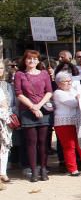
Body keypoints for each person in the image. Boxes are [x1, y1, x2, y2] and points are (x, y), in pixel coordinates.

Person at [13, 50, 53, 183]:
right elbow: (19, 93)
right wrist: (33, 107)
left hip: (43, 110)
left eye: (35, 59)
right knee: (31, 142)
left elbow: (49, 92)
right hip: (27, 111)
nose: (32, 61)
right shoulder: (19, 74)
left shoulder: (44, 74)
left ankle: (43, 168)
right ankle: (34, 170)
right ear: (25, 60)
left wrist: (39, 106)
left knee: (43, 142)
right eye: (29, 59)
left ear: (38, 61)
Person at [52, 71, 81, 177]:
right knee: (69, 146)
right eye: (65, 81)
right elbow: (74, 103)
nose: (69, 83)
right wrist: (79, 98)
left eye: (69, 80)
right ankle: (73, 168)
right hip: (63, 122)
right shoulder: (58, 93)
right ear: (59, 83)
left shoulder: (73, 90)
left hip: (76, 121)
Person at [0, 62, 13, 183]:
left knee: (4, 146)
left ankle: (2, 172)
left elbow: (6, 104)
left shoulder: (6, 85)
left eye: (1, 68)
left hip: (3, 120)